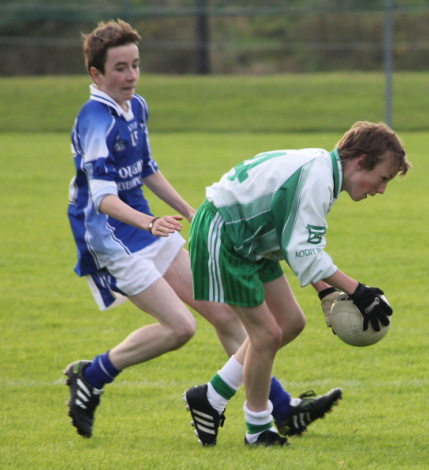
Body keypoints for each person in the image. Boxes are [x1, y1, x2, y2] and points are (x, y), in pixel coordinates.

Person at [64, 19, 338, 440]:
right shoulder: (94, 119)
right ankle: (92, 375)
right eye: (120, 68)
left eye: (135, 65)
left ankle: (279, 409)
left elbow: (148, 170)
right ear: (96, 75)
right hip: (109, 234)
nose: (131, 76)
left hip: (145, 223)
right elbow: (101, 198)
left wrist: (193, 213)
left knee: (226, 315)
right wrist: (150, 221)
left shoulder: (136, 106)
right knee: (180, 328)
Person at [184, 121, 411, 447]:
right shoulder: (318, 179)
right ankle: (258, 429)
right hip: (227, 235)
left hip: (250, 238)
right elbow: (304, 250)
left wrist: (327, 290)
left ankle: (211, 397)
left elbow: (294, 240)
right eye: (383, 178)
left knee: (290, 322)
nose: (381, 189)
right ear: (361, 161)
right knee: (266, 334)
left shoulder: (322, 171)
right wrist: (357, 291)